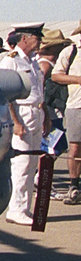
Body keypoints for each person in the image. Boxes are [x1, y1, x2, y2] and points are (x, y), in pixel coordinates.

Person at [0, 24, 47, 225]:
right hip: (22, 113)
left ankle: (25, 208)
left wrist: (46, 116)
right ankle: (16, 209)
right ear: (24, 38)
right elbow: (5, 93)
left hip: (36, 111)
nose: (39, 41)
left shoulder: (33, 62)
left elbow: (39, 92)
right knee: (22, 164)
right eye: (36, 37)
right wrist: (15, 122)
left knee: (32, 163)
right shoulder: (11, 61)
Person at [51, 21, 81, 205]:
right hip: (77, 105)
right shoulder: (72, 50)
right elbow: (56, 75)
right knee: (75, 147)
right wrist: (78, 79)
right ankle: (74, 186)